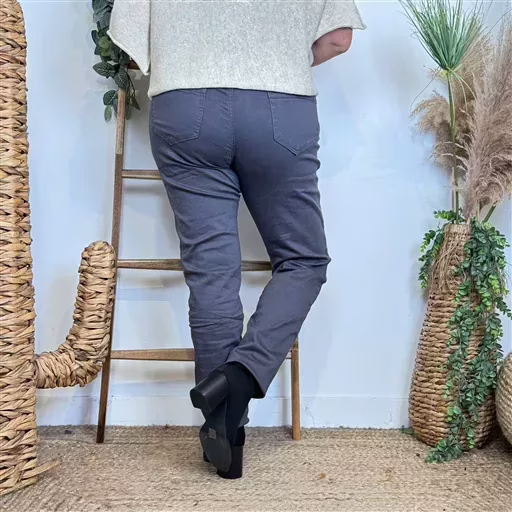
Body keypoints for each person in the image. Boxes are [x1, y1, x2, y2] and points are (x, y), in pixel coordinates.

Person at [108, 0, 365, 480]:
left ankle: (225, 432)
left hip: (185, 107)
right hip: (280, 107)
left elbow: (131, 41)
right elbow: (337, 38)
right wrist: (276, 56)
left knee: (212, 274)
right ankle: (242, 377)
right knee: (304, 260)